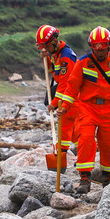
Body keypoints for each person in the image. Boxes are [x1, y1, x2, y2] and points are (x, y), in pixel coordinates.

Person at [56, 26, 110, 194]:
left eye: (103, 49)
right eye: (97, 50)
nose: (100, 53)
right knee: (86, 140)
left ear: (108, 46)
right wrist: (65, 107)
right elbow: (72, 87)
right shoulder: (83, 62)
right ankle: (84, 178)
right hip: (88, 107)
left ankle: (108, 177)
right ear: (91, 48)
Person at [36, 24, 79, 156]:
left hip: (73, 99)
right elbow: (54, 72)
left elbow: (66, 84)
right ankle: (64, 158)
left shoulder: (66, 57)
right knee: (69, 133)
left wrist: (54, 103)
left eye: (47, 46)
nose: (46, 49)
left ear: (54, 41)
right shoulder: (57, 54)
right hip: (67, 99)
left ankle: (67, 158)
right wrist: (47, 60)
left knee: (71, 131)